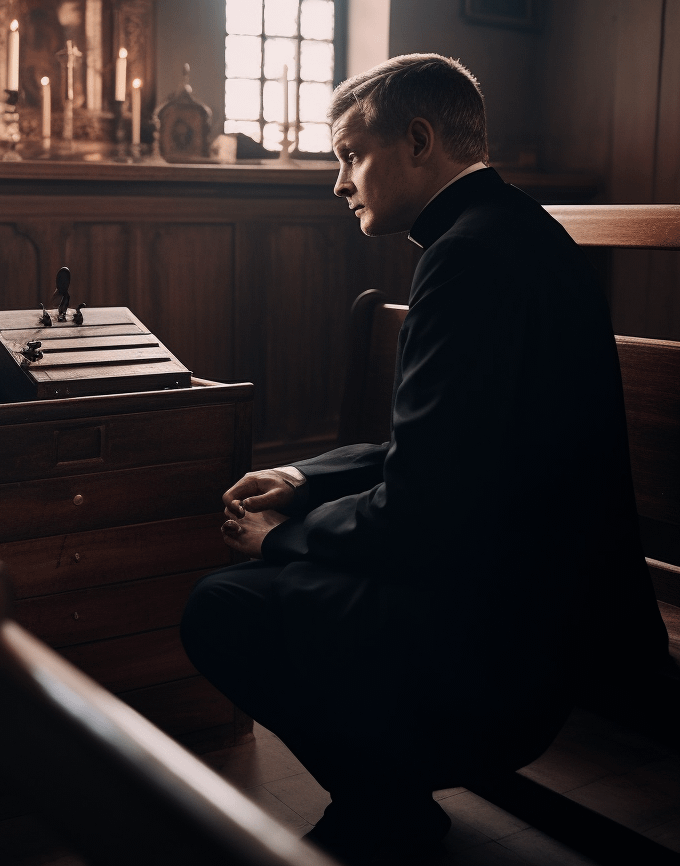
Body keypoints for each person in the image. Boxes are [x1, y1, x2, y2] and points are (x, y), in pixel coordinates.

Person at [180, 54, 666, 864]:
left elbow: (423, 507)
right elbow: (447, 446)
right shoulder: (514, 231)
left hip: (511, 638)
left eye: (348, 154)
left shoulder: (467, 258)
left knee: (222, 606)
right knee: (264, 585)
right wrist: (303, 480)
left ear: (416, 139)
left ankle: (384, 806)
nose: (338, 183)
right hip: (543, 587)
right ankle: (387, 800)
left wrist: (280, 538)